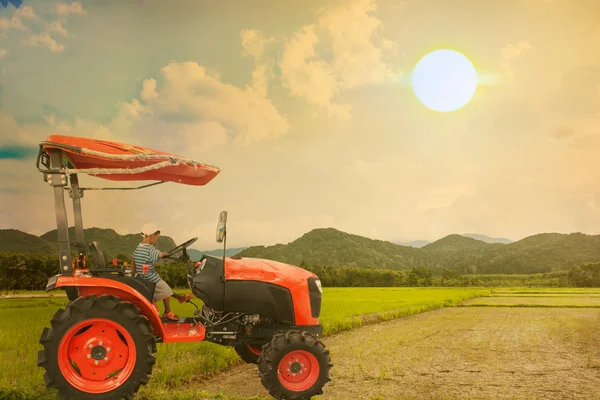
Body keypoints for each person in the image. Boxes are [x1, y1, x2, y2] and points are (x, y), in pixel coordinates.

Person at [132, 223, 192, 321]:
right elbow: (160, 254)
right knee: (164, 288)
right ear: (152, 236)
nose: (156, 240)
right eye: (157, 238)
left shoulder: (138, 248)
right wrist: (166, 254)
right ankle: (167, 311)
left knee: (165, 289)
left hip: (142, 277)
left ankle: (180, 298)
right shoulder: (149, 249)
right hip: (150, 277)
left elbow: (133, 259)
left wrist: (133, 274)